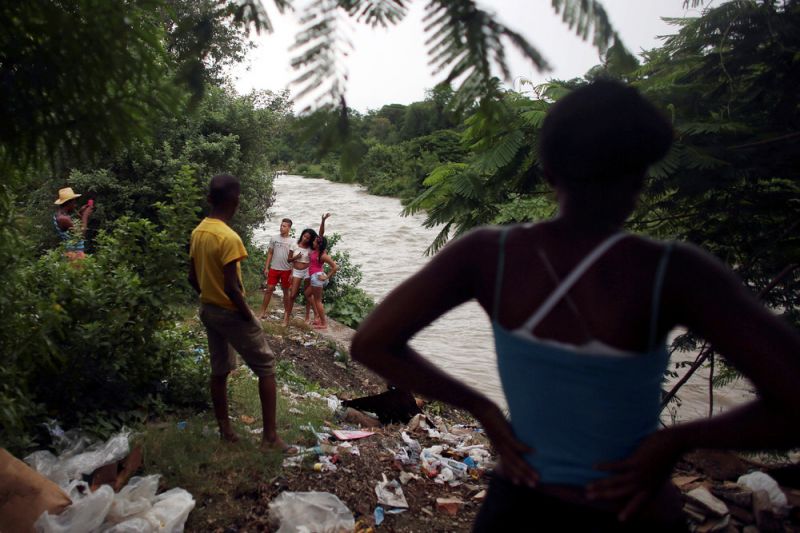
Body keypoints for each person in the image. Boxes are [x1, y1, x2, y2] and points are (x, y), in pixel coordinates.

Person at [350, 80, 800, 531]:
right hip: (630, 509)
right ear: (643, 177)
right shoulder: (674, 271)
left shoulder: (490, 255)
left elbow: (372, 343)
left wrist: (482, 408)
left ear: (547, 172)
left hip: (519, 507)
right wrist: (675, 442)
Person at [189, 174, 293, 453]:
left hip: (209, 309)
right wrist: (248, 314)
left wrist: (206, 295)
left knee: (219, 369)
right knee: (266, 366)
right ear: (235, 201)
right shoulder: (229, 238)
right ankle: (270, 438)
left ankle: (225, 430)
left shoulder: (198, 231)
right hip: (231, 312)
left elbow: (192, 277)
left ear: (210, 199)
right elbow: (232, 286)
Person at [287, 213, 331, 324]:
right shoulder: (300, 245)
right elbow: (289, 260)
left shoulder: (316, 250)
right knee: (297, 294)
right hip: (300, 272)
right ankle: (289, 316)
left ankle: (310, 316)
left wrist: (323, 221)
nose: (306, 239)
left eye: (309, 238)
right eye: (305, 236)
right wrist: (292, 270)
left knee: (309, 295)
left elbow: (321, 235)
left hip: (309, 273)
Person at [258, 218, 294, 323]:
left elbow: (294, 259)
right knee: (269, 289)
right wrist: (266, 267)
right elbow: (270, 253)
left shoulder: (293, 241)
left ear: (289, 228)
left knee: (286, 292)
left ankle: (286, 315)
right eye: (281, 225)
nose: (281, 228)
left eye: (284, 226)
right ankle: (262, 312)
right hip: (274, 268)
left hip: (286, 270)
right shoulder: (274, 238)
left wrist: (292, 272)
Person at [305, 235, 337, 330]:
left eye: (315, 242)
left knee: (318, 301)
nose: (313, 243)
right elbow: (321, 234)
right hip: (315, 277)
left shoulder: (323, 255)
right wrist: (323, 221)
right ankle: (319, 317)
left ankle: (323, 323)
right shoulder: (316, 251)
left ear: (319, 245)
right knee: (307, 294)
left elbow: (335, 267)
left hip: (317, 278)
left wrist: (327, 276)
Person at [53, 187, 93, 260]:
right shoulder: (63, 219)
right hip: (74, 255)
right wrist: (85, 216)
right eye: (74, 202)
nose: (75, 204)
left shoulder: (59, 215)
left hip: (72, 252)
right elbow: (81, 234)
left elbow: (71, 227)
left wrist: (80, 213)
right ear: (69, 202)